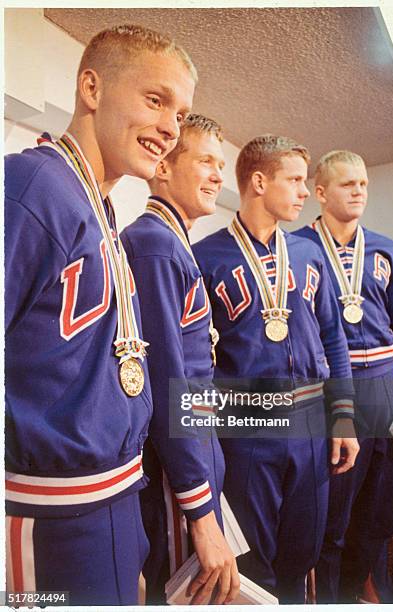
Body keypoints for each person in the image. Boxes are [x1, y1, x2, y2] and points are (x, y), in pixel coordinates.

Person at [5, 24, 196, 606]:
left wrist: (121, 542)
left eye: (182, 114)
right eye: (156, 100)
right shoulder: (31, 185)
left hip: (112, 502)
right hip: (48, 510)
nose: (171, 128)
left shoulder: (103, 209)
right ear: (91, 87)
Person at [193, 135, 359, 603]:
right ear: (260, 182)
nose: (305, 192)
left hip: (309, 424)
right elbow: (195, 364)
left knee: (302, 553)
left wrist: (343, 415)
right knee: (252, 562)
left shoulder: (309, 256)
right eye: (295, 180)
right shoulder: (205, 258)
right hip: (246, 428)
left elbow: (334, 338)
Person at [121, 114, 239, 606]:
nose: (218, 176)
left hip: (192, 463)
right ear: (163, 167)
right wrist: (201, 513)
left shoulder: (172, 242)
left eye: (222, 164)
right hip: (174, 477)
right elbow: (171, 390)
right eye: (206, 161)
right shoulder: (154, 245)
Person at [294, 150, 393, 603]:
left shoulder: (387, 250)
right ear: (320, 193)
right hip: (333, 392)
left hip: (386, 387)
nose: (360, 191)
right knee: (332, 515)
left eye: (363, 183)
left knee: (384, 513)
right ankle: (326, 600)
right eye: (348, 184)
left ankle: (358, 591)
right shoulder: (298, 249)